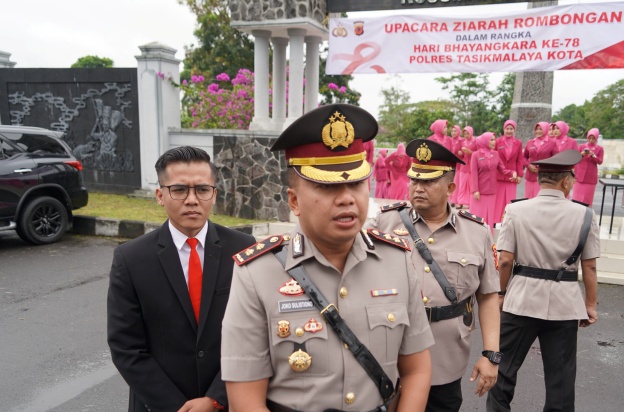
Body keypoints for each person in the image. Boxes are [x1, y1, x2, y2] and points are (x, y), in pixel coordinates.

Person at [221, 104, 434, 412]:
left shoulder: (397, 261)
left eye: (357, 183)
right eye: (327, 185)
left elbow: (416, 369)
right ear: (294, 200)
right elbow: (245, 398)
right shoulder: (256, 273)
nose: (347, 197)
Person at [107, 146, 256, 412]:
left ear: (214, 194)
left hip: (230, 401)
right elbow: (126, 346)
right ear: (160, 196)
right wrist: (175, 406)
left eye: (202, 189)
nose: (191, 199)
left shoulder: (244, 248)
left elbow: (256, 335)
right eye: (179, 190)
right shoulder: (131, 259)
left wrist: (215, 398)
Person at [369, 138, 502, 412]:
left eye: (428, 182)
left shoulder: (476, 232)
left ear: (451, 187)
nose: (418, 188)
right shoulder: (383, 223)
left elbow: (488, 297)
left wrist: (491, 354)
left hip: (446, 356)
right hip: (391, 349)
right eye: (414, 180)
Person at [486, 150, 599, 412]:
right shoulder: (585, 215)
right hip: (565, 303)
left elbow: (505, 260)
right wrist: (590, 304)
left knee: (503, 370)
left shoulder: (516, 209)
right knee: (560, 379)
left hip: (522, 298)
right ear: (566, 181)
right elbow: (590, 265)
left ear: (539, 179)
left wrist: (501, 293)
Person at [470, 133, 516, 231]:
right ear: (485, 141)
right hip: (479, 192)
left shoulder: (495, 154)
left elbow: (502, 169)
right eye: (491, 140)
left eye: (494, 139)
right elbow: (473, 174)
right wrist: (475, 190)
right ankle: (477, 237)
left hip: (492, 192)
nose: (493, 142)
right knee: (479, 215)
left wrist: (512, 173)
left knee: (489, 216)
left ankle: (488, 238)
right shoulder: (476, 155)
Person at [494, 120, 523, 225]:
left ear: (514, 130)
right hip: (499, 175)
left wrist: (520, 175)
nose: (509, 131)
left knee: (509, 200)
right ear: (504, 129)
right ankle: (496, 221)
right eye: (507, 128)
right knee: (498, 201)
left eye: (511, 129)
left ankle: (508, 221)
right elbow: (495, 156)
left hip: (512, 177)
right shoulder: (497, 142)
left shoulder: (518, 143)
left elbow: (519, 160)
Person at [523, 122, 555, 198]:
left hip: (545, 178)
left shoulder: (552, 143)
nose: (538, 131)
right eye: (536, 129)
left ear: (546, 129)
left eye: (541, 129)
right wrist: (528, 165)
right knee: (529, 200)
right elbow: (524, 157)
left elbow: (555, 160)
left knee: (541, 200)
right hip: (530, 177)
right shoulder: (530, 142)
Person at [573, 128, 604, 206]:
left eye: (593, 138)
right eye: (589, 138)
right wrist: (582, 154)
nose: (591, 140)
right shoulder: (581, 146)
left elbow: (600, 161)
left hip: (590, 177)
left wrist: (593, 155)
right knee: (577, 198)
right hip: (579, 176)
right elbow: (575, 158)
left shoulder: (600, 149)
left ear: (596, 139)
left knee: (587, 199)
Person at [454, 126, 477, 210]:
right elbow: (462, 154)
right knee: (462, 185)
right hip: (463, 166)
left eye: (468, 133)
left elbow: (478, 153)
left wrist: (470, 152)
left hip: (472, 166)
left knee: (470, 185)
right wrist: (461, 153)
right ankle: (460, 202)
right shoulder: (463, 142)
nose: (466, 135)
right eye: (465, 134)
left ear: (471, 133)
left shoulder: (475, 142)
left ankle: (470, 202)